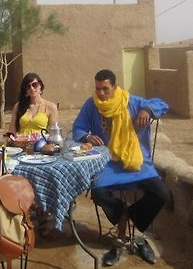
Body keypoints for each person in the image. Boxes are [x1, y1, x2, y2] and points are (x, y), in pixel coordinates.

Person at [72, 69, 169, 266]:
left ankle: (130, 226)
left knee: (162, 194)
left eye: (105, 89)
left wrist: (147, 110)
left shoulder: (132, 101)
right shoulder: (92, 105)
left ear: (115, 87)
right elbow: (78, 128)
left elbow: (161, 104)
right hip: (108, 164)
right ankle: (127, 222)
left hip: (138, 164)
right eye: (98, 88)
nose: (101, 93)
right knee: (98, 193)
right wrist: (87, 136)